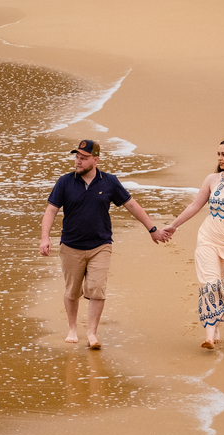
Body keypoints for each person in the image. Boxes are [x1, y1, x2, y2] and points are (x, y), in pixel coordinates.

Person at [40, 139, 168, 349]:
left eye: (83, 158)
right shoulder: (64, 182)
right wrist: (45, 238)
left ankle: (92, 333)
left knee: (97, 288)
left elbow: (132, 205)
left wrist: (152, 230)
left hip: (101, 245)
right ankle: (73, 328)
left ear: (95, 159)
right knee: (72, 291)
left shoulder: (109, 182)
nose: (78, 162)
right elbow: (51, 210)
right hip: (71, 246)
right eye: (77, 157)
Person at [162, 138, 224, 348]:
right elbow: (195, 206)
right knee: (210, 283)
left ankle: (215, 327)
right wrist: (174, 225)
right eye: (218, 154)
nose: (220, 158)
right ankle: (208, 335)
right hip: (208, 237)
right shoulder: (212, 179)